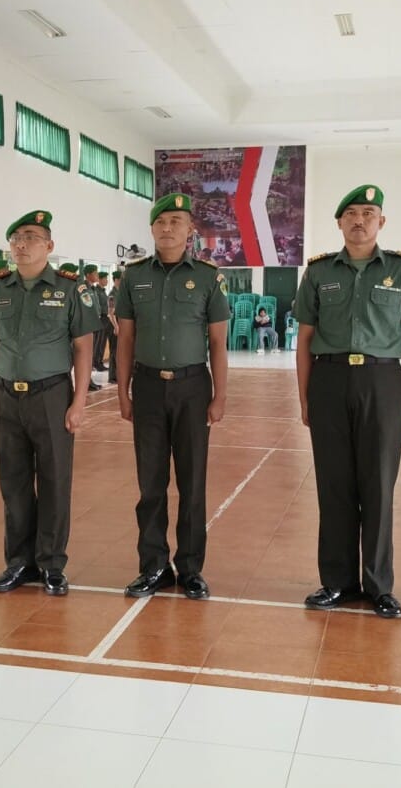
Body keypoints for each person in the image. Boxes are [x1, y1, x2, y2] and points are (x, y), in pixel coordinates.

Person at [295, 184, 401, 619]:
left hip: (382, 381)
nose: (359, 220)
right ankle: (337, 582)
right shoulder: (318, 272)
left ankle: (378, 586)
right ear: (339, 222)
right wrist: (305, 398)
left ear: (381, 221)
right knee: (334, 486)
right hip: (330, 380)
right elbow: (305, 341)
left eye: (368, 213)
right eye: (351, 214)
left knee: (378, 486)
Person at [117, 192, 230, 600]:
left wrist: (219, 395)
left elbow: (217, 342)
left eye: (176, 222)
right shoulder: (133, 277)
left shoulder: (208, 277)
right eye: (161, 222)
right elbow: (125, 339)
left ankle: (191, 568)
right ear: (152, 228)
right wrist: (123, 391)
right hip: (148, 386)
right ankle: (153, 566)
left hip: (192, 388)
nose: (168, 228)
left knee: (192, 482)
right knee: (151, 483)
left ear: (190, 230)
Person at [0, 211, 100, 597]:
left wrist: (79, 402)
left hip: (50, 395)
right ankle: (18, 562)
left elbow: (83, 347)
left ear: (49, 245)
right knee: (13, 482)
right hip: (5, 397)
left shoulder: (70, 289)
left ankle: (50, 564)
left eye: (31, 236)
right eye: (16, 237)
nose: (21, 243)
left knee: (54, 481)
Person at [84, 264, 109, 371]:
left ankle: (92, 366)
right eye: (95, 273)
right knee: (90, 347)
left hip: (96, 320)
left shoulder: (93, 289)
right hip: (89, 322)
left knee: (96, 345)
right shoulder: (84, 288)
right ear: (88, 275)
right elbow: (86, 306)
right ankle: (89, 368)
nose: (97, 275)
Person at [107, 270, 122, 384]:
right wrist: (116, 326)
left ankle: (118, 374)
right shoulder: (112, 295)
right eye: (121, 279)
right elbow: (110, 313)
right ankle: (112, 376)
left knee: (119, 351)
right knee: (114, 351)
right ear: (116, 280)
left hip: (120, 322)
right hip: (113, 323)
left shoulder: (120, 293)